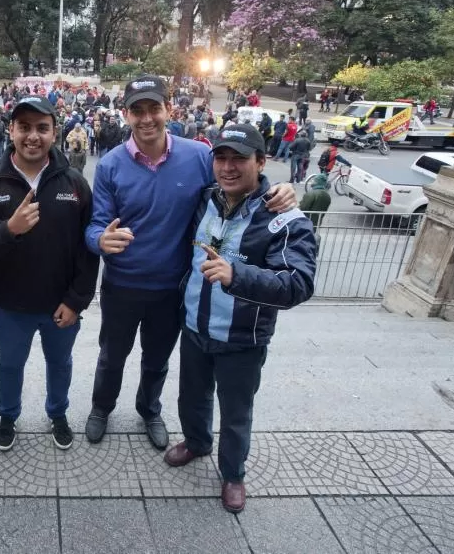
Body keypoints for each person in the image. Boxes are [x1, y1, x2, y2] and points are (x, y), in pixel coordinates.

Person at [83, 75, 296, 451]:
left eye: (154, 109)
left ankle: (149, 409)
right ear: (126, 115)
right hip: (122, 287)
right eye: (138, 111)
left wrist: (277, 189)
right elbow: (96, 224)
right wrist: (100, 240)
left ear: (168, 110)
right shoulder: (111, 164)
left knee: (157, 360)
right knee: (111, 356)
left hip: (172, 289)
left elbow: (234, 187)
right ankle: (101, 407)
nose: (146, 119)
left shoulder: (198, 156)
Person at [164, 124, 317, 514]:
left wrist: (236, 275)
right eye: (222, 158)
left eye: (239, 159)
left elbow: (298, 284)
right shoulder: (206, 198)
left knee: (235, 413)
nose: (228, 167)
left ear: (262, 162)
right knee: (191, 397)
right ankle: (197, 442)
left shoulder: (284, 217)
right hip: (195, 326)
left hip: (243, 338)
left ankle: (232, 473)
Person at [0, 95, 99, 451]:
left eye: (42, 128)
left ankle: (58, 413)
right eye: (24, 127)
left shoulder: (75, 184)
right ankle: (8, 415)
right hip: (10, 305)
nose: (32, 136)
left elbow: (88, 251)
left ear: (55, 133)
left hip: (61, 306)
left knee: (60, 364)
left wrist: (77, 300)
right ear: (11, 130)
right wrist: (9, 229)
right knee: (10, 365)